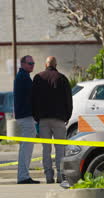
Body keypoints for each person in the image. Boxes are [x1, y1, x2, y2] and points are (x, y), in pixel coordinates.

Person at [32, 56, 73, 188]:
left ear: (45, 64)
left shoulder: (38, 78)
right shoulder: (62, 78)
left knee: (46, 149)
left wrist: (36, 117)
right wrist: (67, 116)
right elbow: (69, 100)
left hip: (43, 120)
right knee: (60, 149)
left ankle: (48, 176)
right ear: (56, 64)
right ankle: (60, 176)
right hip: (59, 119)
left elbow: (33, 99)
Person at [14, 55, 39, 184]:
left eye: (33, 63)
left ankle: (23, 175)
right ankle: (23, 176)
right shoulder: (23, 77)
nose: (32, 65)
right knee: (26, 148)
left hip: (25, 116)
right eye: (30, 63)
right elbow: (33, 96)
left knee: (26, 147)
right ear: (23, 64)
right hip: (25, 117)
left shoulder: (23, 77)